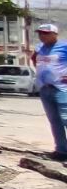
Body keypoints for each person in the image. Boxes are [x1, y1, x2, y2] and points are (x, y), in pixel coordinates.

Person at [32, 23, 67, 160]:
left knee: (66, 119)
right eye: (40, 33)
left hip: (62, 89)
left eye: (46, 33)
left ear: (55, 34)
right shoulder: (39, 48)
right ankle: (61, 151)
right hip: (45, 88)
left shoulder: (64, 46)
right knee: (55, 121)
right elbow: (34, 59)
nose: (42, 36)